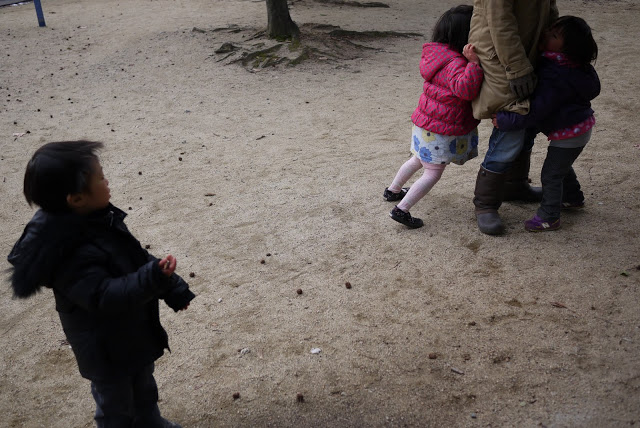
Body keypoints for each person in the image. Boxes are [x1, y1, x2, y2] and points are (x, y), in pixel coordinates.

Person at [7, 141, 195, 428]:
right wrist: (152, 279)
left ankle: (149, 420)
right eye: (101, 177)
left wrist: (172, 287)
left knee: (143, 385)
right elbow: (103, 296)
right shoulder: (67, 251)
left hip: (132, 331)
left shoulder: (100, 219)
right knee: (115, 404)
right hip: (104, 347)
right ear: (76, 199)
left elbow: (135, 258)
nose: (107, 182)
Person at [493, 16, 600, 232]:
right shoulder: (575, 66)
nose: (546, 34)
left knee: (551, 174)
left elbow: (536, 110)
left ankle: (549, 216)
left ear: (568, 48)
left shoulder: (556, 76)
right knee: (561, 166)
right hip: (579, 128)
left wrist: (505, 120)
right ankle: (572, 197)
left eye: (554, 35)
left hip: (570, 133)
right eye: (550, 29)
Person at [383, 5, 483, 228]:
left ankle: (393, 190)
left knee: (417, 159)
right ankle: (401, 210)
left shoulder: (437, 55)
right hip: (441, 128)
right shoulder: (457, 63)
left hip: (426, 122)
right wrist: (474, 65)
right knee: (433, 172)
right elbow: (465, 90)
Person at [468, 1, 559, 235]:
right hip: (500, 54)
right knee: (512, 121)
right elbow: (500, 21)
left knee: (528, 121)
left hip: (529, 48)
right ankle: (485, 203)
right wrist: (517, 66)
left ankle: (514, 185)